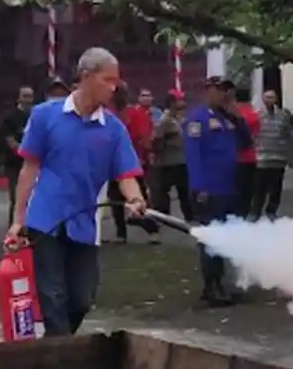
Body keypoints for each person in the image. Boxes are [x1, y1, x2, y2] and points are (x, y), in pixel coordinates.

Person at [9, 47, 147, 336]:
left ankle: (56, 347)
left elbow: (126, 174)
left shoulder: (113, 129)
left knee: (82, 299)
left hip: (84, 222)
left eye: (115, 82)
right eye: (107, 80)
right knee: (53, 297)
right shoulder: (45, 116)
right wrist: (18, 220)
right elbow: (29, 169)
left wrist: (135, 199)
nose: (114, 88)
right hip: (45, 220)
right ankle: (60, 359)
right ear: (86, 76)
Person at [184, 77, 252, 306]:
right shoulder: (197, 119)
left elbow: (246, 143)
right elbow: (194, 158)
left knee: (226, 237)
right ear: (208, 91)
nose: (224, 95)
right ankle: (212, 285)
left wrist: (237, 116)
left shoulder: (228, 119)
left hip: (229, 186)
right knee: (210, 238)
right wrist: (200, 187)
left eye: (227, 91)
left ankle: (221, 282)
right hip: (208, 189)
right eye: (219, 91)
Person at [108, 83, 160, 244]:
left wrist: (145, 155)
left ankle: (152, 230)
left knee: (140, 198)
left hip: (133, 163)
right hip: (112, 165)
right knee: (115, 199)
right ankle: (121, 233)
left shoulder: (135, 114)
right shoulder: (107, 114)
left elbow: (145, 138)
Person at [0, 86, 35, 225]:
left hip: (34, 165)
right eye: (25, 96)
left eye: (30, 96)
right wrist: (25, 154)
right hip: (14, 165)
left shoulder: (36, 115)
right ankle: (14, 232)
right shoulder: (10, 117)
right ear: (18, 98)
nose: (28, 100)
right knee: (17, 199)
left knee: (33, 200)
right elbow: (9, 140)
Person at [250, 89, 292, 221]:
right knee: (259, 189)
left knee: (276, 189)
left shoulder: (283, 115)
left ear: (276, 99)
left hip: (278, 158)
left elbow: (287, 133)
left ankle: (271, 211)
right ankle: (255, 212)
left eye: (272, 97)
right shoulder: (257, 115)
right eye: (267, 97)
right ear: (263, 99)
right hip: (262, 159)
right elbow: (253, 134)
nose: (269, 100)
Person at [152, 90, 193, 222]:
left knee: (184, 192)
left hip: (182, 161)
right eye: (179, 100)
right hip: (168, 162)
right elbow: (158, 140)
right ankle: (165, 218)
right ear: (172, 103)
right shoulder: (164, 120)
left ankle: (190, 217)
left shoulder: (179, 118)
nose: (183, 103)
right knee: (164, 193)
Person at [233, 87, 260, 215]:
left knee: (236, 190)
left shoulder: (232, 115)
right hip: (251, 157)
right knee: (248, 191)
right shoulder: (254, 115)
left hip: (236, 158)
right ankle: (246, 212)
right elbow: (256, 135)